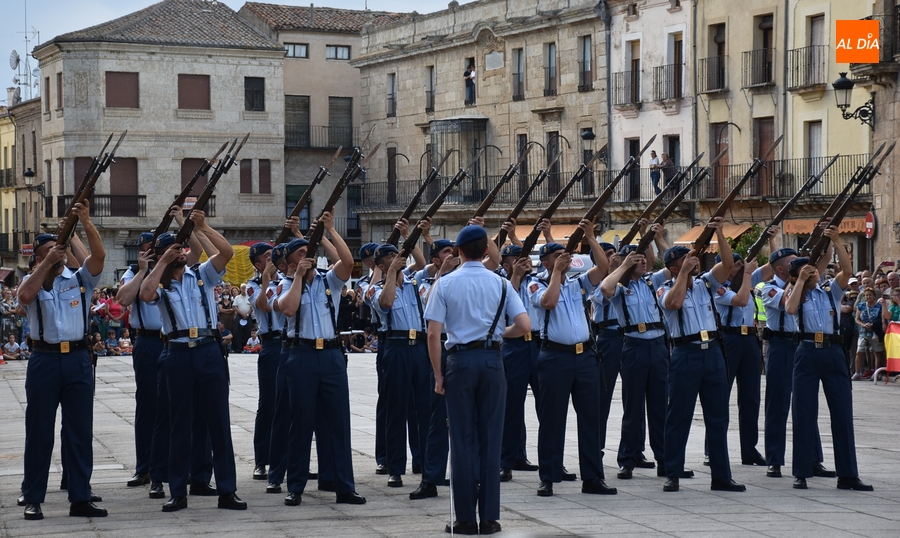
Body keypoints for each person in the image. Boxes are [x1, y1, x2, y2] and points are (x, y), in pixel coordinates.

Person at [424, 225, 531, 535]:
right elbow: (524, 325)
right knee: (491, 439)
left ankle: (465, 519)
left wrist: (438, 374)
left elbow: (433, 333)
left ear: (458, 252)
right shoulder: (500, 283)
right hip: (492, 360)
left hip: (459, 361)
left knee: (461, 440)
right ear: (486, 251)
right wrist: (499, 333)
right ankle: (490, 518)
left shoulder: (445, 284)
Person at [138, 210, 246, 513]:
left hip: (209, 349)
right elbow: (146, 295)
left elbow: (225, 253)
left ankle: (227, 490)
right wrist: (160, 262)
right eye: (174, 249)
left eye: (181, 248)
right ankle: (177, 492)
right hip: (178, 352)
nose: (181, 253)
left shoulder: (201, 274)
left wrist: (203, 226)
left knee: (219, 423)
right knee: (179, 425)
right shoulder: (159, 282)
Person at [18, 202, 108, 520]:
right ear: (39, 257)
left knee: (80, 430)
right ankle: (33, 497)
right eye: (49, 250)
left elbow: (98, 258)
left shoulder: (78, 278)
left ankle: (80, 496)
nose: (57, 252)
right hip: (44, 359)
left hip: (78, 358)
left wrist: (85, 222)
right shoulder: (32, 280)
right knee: (39, 430)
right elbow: (25, 298)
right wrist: (46, 265)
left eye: (60, 247)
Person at [275, 211, 366, 507]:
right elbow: (288, 309)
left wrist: (328, 232)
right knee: (300, 423)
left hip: (330, 355)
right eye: (301, 253)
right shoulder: (285, 284)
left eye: (308, 251)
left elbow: (349, 263)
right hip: (300, 355)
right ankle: (296, 486)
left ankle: (344, 486)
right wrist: (298, 275)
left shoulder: (330, 281)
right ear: (290, 263)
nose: (308, 254)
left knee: (338, 423)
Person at [656, 218, 745, 493]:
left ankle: (721, 475)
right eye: (685, 261)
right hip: (685, 352)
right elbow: (674, 302)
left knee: (718, 417)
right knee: (679, 416)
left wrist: (719, 233)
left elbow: (728, 266)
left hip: (713, 352)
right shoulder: (664, 287)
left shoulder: (706, 283)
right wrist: (682, 274)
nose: (692, 262)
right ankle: (672, 472)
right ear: (673, 267)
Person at [530, 221, 616, 498]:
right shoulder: (536, 283)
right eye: (556, 257)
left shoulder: (578, 283)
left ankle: (592, 477)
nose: (563, 260)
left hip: (584, 357)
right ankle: (548, 476)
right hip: (554, 356)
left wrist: (591, 238)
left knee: (591, 418)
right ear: (545, 262)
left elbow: (603, 269)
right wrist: (555, 273)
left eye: (563, 257)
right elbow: (549, 302)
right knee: (553, 420)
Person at [784, 229, 874, 491]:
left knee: (843, 414)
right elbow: (790, 309)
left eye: (813, 272)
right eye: (808, 272)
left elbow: (847, 272)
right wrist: (800, 281)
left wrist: (836, 242)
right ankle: (801, 471)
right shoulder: (797, 294)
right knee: (803, 412)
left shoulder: (829, 291)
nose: (813, 275)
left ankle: (848, 474)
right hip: (807, 350)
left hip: (834, 351)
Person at [599, 222, 670, 480]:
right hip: (634, 345)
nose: (643, 263)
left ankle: (665, 459)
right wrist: (623, 266)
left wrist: (658, 238)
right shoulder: (620, 287)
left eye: (643, 260)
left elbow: (674, 264)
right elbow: (605, 288)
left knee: (660, 406)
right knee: (633, 407)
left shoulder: (652, 281)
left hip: (657, 345)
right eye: (637, 260)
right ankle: (627, 459)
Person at [760, 247, 833, 481]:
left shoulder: (806, 283)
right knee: (778, 404)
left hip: (802, 346)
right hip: (780, 346)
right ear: (782, 269)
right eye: (794, 263)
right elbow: (787, 302)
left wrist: (828, 243)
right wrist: (798, 280)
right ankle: (774, 459)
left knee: (806, 405)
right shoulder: (770, 288)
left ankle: (813, 459)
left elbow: (824, 262)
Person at [497, 243, 542, 483]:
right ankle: (507, 461)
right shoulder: (501, 282)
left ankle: (548, 460)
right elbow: (502, 307)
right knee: (512, 406)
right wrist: (515, 276)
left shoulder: (537, 280)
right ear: (505, 264)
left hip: (538, 343)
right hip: (513, 346)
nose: (521, 263)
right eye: (515, 260)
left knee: (546, 406)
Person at [854, 287, 885, 380]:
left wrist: (873, 324)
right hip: (863, 332)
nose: (868, 297)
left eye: (870, 295)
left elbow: (882, 318)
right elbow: (857, 318)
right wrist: (863, 325)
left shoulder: (879, 306)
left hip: (875, 331)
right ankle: (857, 373)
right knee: (859, 352)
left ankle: (875, 373)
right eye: (866, 295)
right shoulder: (861, 305)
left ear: (874, 296)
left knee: (877, 352)